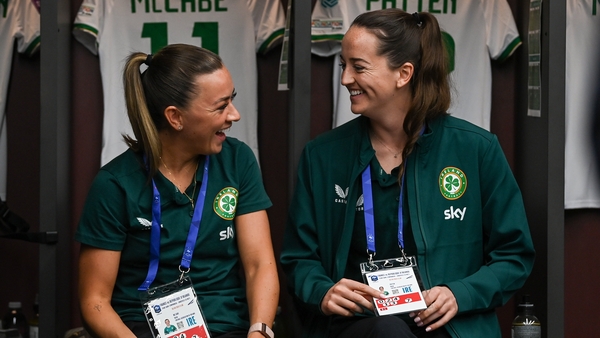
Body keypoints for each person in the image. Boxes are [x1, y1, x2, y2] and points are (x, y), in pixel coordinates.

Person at [280, 9, 535, 338]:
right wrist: (323, 291)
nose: (345, 79)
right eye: (344, 65)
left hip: (449, 323)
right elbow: (299, 257)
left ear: (403, 73)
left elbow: (514, 255)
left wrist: (461, 294)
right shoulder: (323, 156)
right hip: (361, 324)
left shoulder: (476, 149)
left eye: (358, 67)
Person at [76, 44, 279, 338]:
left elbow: (259, 265)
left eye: (231, 101)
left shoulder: (238, 161)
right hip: (142, 327)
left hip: (225, 327)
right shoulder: (115, 184)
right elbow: (94, 301)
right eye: (221, 106)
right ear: (175, 117)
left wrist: (260, 331)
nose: (234, 115)